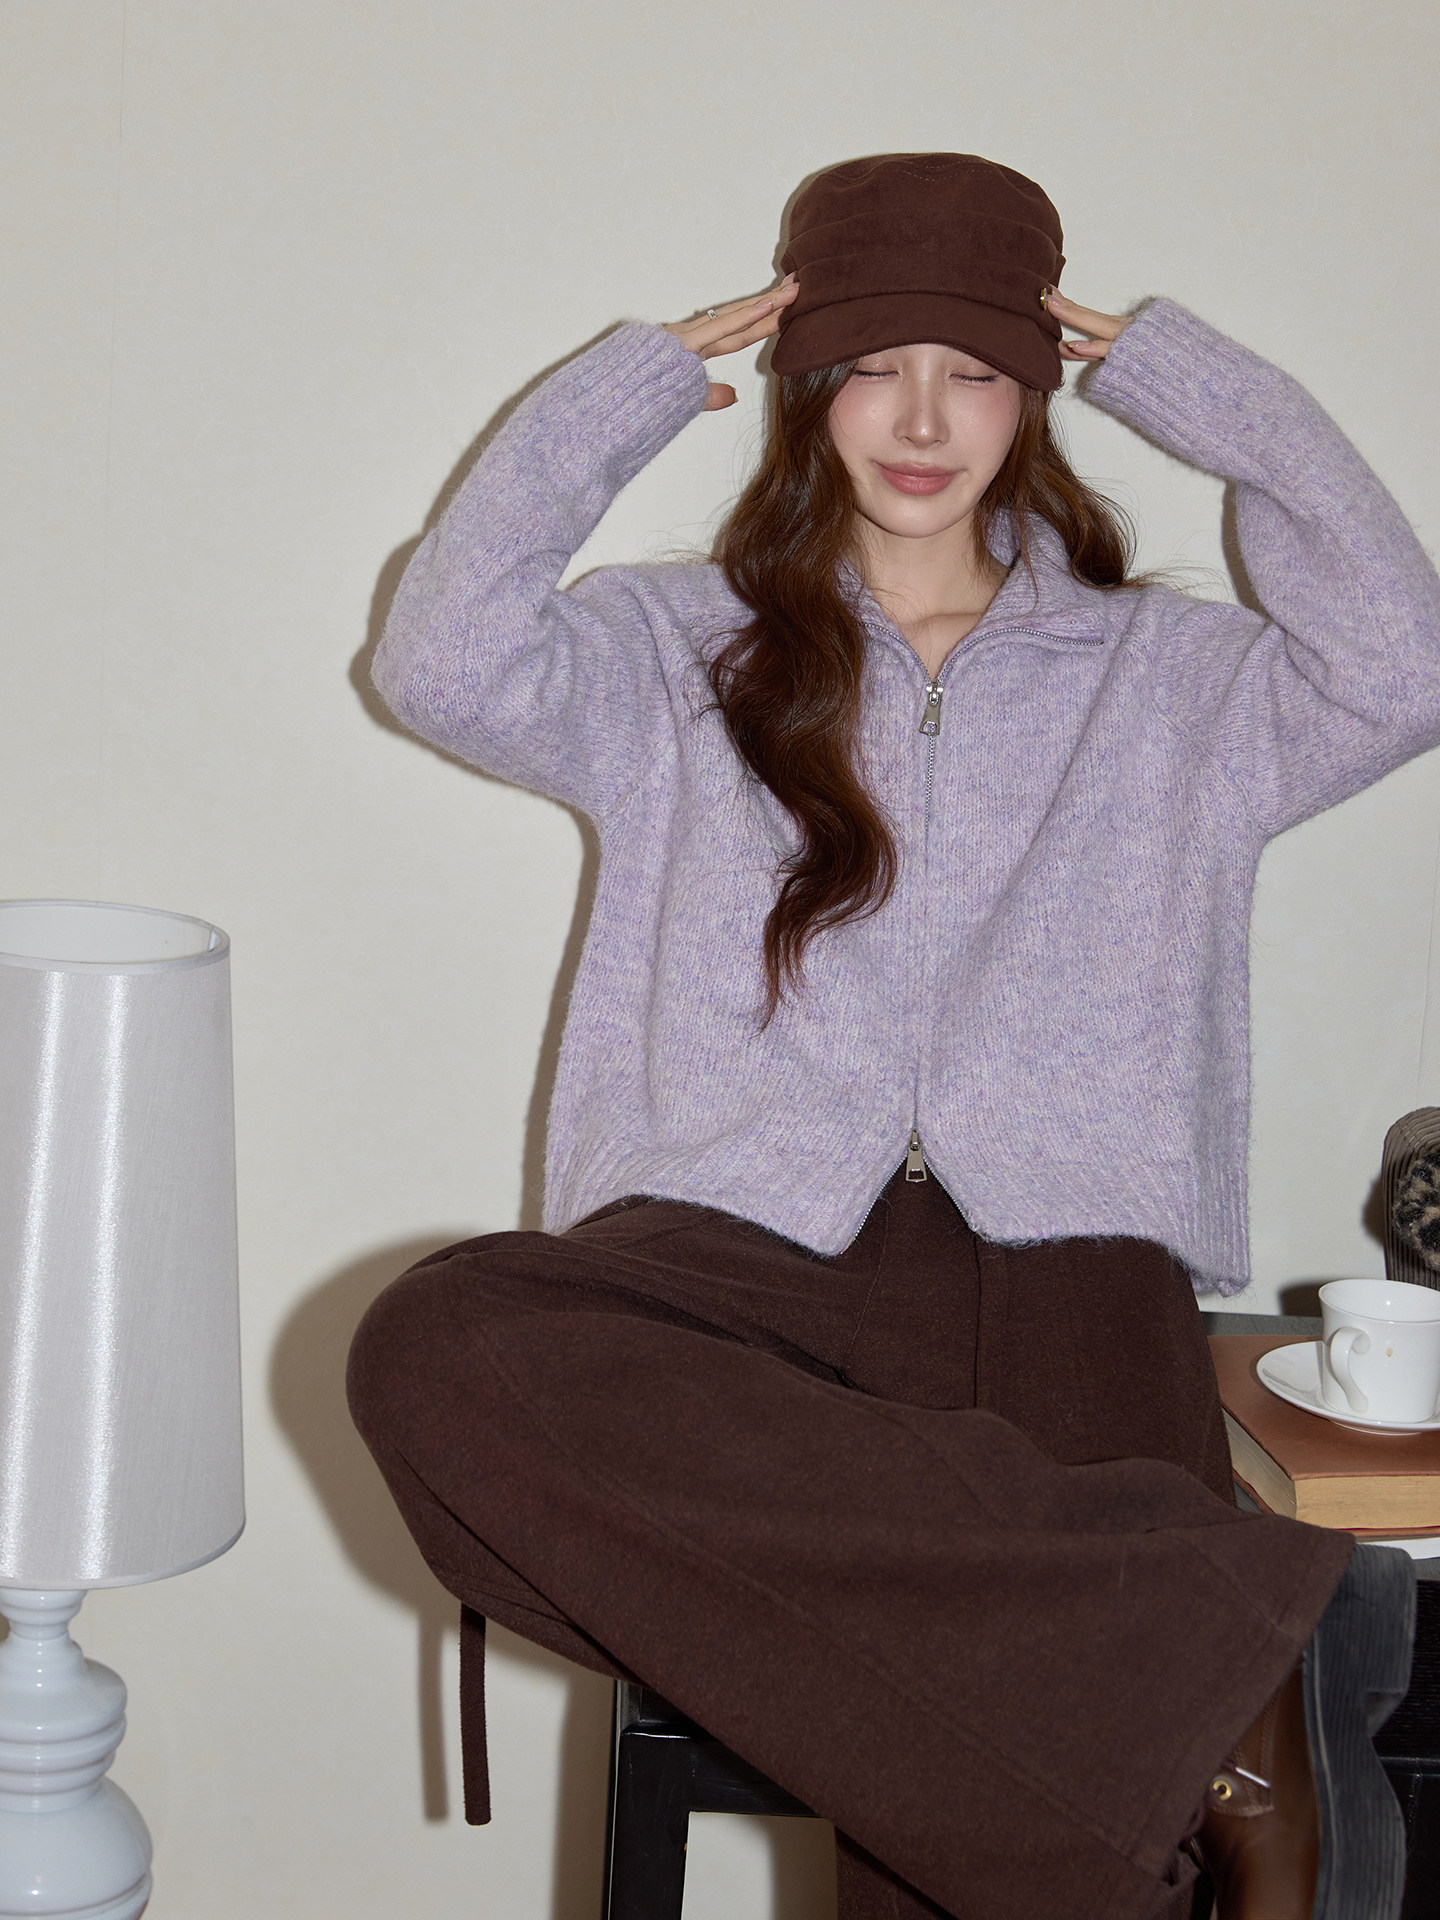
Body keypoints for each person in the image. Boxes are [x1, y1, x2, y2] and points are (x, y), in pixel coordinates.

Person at [347, 153, 1440, 1919]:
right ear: (803, 381)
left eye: (975, 369)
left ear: (1039, 390)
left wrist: (1212, 395)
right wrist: (622, 392)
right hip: (736, 1260)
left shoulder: (1175, 682)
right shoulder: (670, 653)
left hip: (1073, 1266)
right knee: (438, 1343)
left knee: (962, 1824)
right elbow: (441, 665)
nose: (922, 419)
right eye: (871, 366)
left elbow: (1405, 664)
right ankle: (1237, 1657)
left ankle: (1208, 1692)